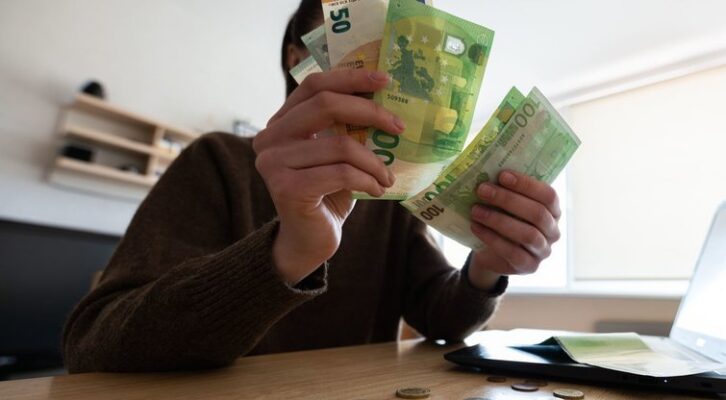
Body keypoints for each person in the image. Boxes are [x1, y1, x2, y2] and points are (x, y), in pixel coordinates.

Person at [62, 0, 561, 373]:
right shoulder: (215, 161)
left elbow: (440, 316)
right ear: (296, 55)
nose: (386, 60)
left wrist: (486, 265)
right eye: (361, 32)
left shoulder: (389, 188)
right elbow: (92, 345)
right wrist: (287, 253)